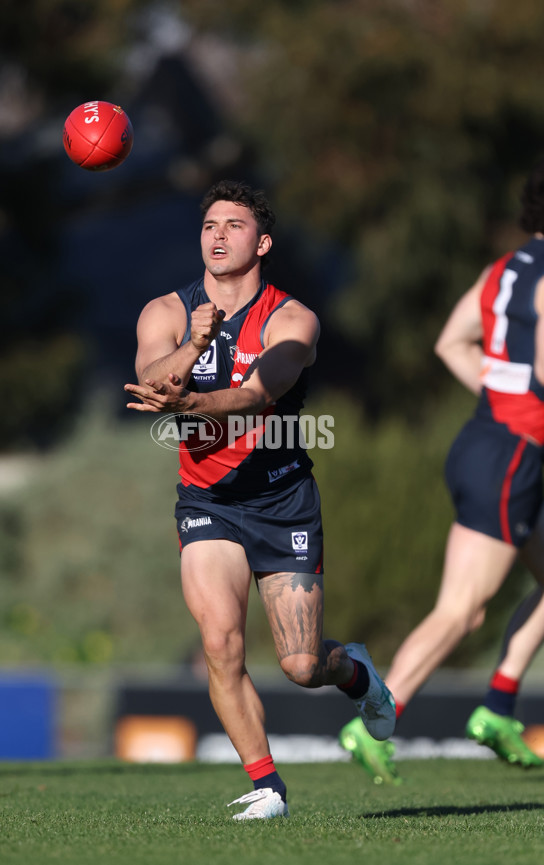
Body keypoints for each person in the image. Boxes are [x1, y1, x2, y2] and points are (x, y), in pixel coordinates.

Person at [124, 179, 395, 818]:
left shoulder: (292, 319)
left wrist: (186, 401)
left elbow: (254, 396)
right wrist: (193, 343)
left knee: (302, 664)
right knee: (220, 643)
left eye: (234, 225)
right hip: (206, 501)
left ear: (263, 241)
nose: (218, 235)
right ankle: (267, 786)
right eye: (210, 224)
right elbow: (149, 379)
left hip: (282, 501)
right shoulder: (165, 311)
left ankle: (353, 670)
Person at [339, 158, 544, 784]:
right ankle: (373, 716)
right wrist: (515, 402)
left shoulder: (503, 271)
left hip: (489, 443)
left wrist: (498, 393)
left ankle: (498, 708)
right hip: (512, 453)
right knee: (462, 610)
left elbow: (452, 342)